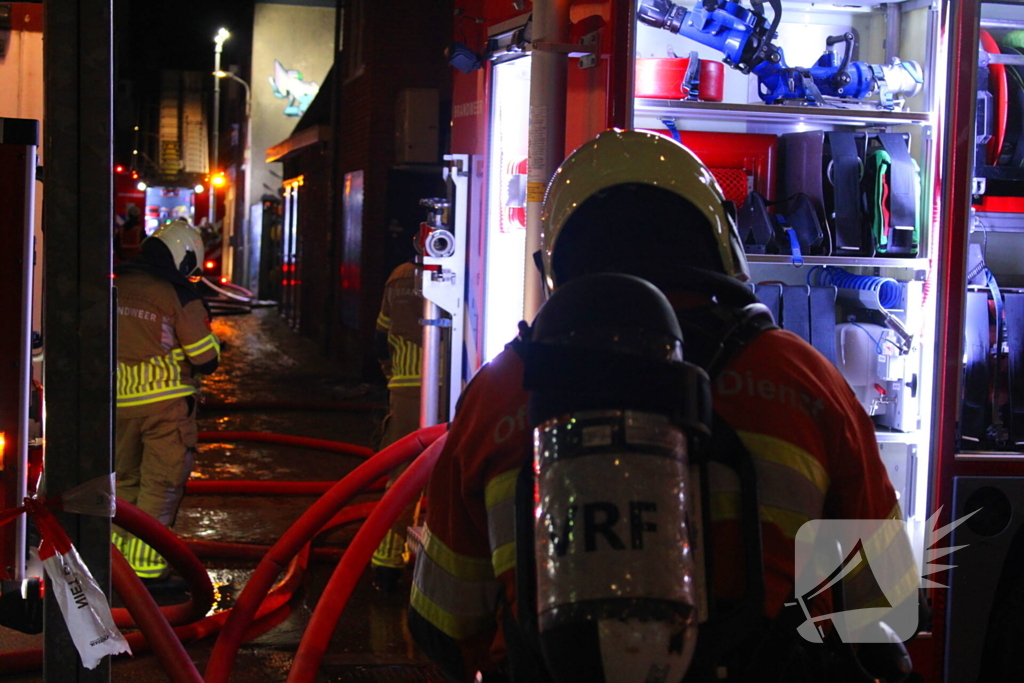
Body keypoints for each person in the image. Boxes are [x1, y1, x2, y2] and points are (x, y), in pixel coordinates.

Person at [407, 130, 914, 681]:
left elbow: (443, 628)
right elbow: (887, 604)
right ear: (720, 238)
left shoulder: (499, 392)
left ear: (554, 259)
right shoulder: (802, 379)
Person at [112, 218, 221, 580]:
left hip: (118, 406)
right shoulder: (177, 294)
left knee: (123, 484)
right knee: (161, 485)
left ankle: (116, 568)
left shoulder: (117, 284)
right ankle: (148, 571)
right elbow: (206, 359)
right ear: (184, 256)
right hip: (165, 407)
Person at [370, 248, 426, 590]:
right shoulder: (470, 265)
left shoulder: (399, 278)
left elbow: (381, 336)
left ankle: (386, 564)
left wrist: (392, 373)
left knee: (403, 477)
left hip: (406, 388)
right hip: (455, 386)